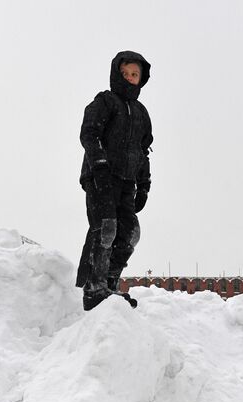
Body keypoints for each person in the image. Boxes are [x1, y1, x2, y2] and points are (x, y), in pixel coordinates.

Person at [76, 51, 153, 311]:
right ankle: (93, 288)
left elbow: (143, 151)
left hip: (126, 182)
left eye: (135, 75)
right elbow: (89, 133)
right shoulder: (105, 101)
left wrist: (144, 184)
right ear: (116, 75)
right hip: (101, 177)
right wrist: (99, 166)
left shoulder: (142, 113)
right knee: (105, 228)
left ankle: (108, 282)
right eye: (126, 74)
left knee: (130, 233)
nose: (131, 78)